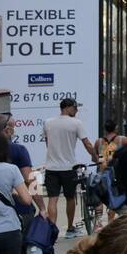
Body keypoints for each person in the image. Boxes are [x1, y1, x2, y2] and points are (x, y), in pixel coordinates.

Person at [42, 98, 97, 237]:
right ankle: (70, 228)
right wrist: (95, 157)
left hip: (51, 167)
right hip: (68, 167)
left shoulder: (48, 123)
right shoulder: (76, 123)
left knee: (52, 199)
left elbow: (48, 143)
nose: (77, 110)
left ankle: (51, 230)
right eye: (75, 108)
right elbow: (87, 144)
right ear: (67, 108)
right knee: (70, 198)